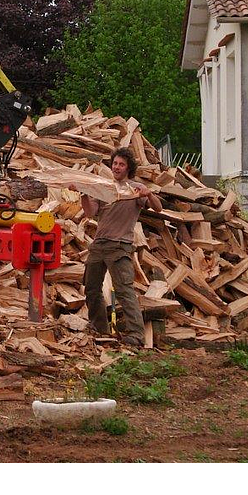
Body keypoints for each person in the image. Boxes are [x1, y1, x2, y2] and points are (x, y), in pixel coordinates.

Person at [71, 147, 162, 346]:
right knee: (92, 288)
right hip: (99, 245)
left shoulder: (135, 188)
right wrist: (84, 194)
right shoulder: (104, 187)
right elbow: (89, 213)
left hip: (120, 246)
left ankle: (136, 335)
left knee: (124, 290)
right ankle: (98, 328)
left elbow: (158, 208)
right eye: (114, 163)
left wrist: (149, 194)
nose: (116, 167)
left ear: (128, 167)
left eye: (121, 164)